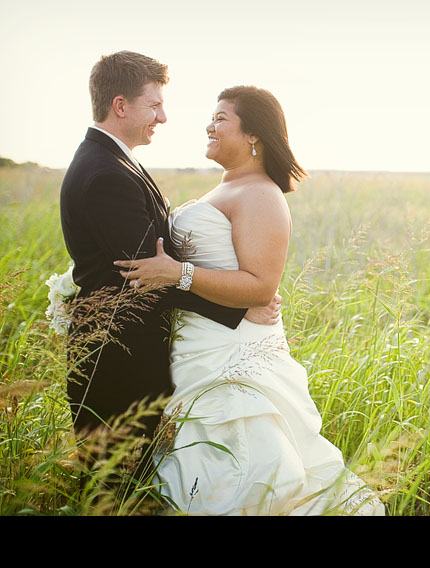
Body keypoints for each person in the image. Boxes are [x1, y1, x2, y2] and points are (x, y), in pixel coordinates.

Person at [114, 86, 385, 516]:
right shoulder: (228, 186)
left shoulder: (261, 194)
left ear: (254, 134)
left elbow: (260, 286)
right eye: (212, 117)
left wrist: (178, 273)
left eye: (221, 118)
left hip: (234, 353)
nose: (209, 125)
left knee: (246, 463)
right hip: (199, 346)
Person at [59, 52, 279, 473]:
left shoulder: (115, 161)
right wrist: (237, 304)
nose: (163, 117)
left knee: (136, 480)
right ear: (120, 106)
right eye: (154, 105)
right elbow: (145, 275)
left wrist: (241, 290)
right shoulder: (105, 174)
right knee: (114, 486)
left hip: (136, 353)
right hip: (117, 359)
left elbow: (158, 265)